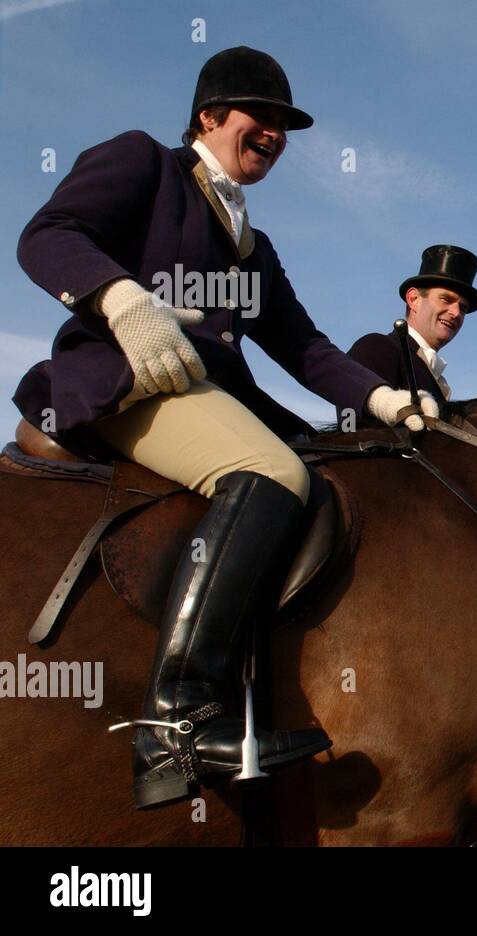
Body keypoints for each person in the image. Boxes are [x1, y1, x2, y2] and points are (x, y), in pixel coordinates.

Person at [12, 46, 436, 810]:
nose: (274, 134)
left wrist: (387, 404)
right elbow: (47, 235)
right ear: (211, 117)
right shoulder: (144, 162)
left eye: (284, 126)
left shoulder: (251, 245)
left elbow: (304, 348)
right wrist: (121, 300)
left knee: (341, 474)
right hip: (129, 382)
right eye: (261, 118)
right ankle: (175, 721)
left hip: (210, 393)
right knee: (272, 474)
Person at [342, 244, 477, 425]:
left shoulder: (439, 380)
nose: (456, 312)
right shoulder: (377, 347)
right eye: (446, 299)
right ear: (413, 299)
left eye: (463, 308)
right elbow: (354, 431)